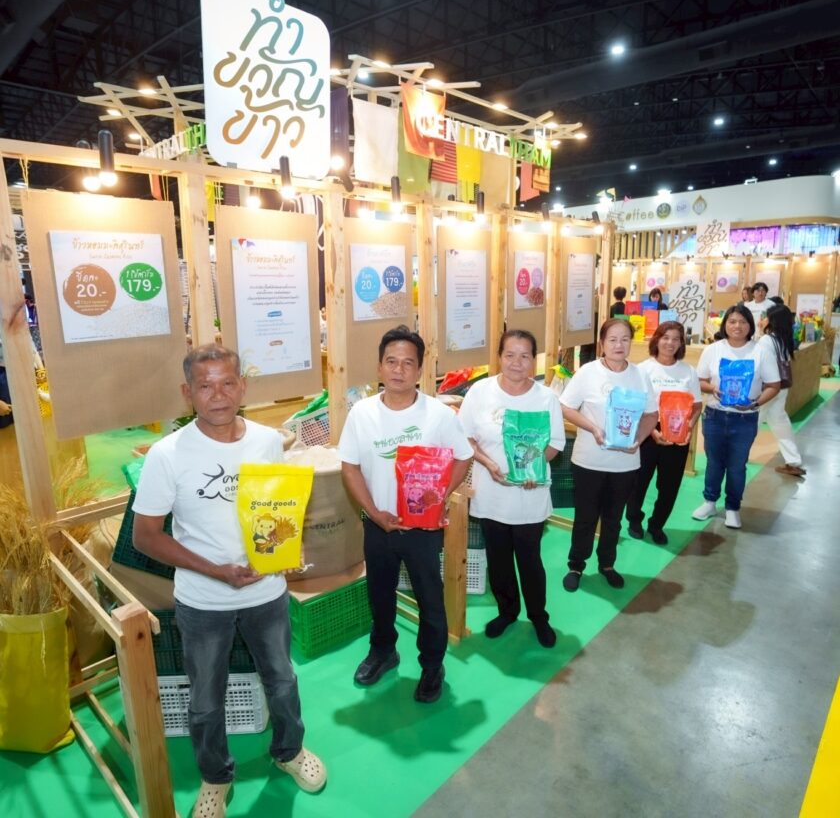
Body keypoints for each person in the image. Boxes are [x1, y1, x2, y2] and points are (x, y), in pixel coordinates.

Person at [133, 345, 326, 816]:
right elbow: (145, 537)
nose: (217, 395)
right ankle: (215, 777)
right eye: (205, 385)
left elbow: (275, 508)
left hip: (267, 593)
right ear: (187, 392)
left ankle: (289, 751)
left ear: (242, 387)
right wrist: (216, 571)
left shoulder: (266, 441)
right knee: (204, 698)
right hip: (202, 600)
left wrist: (288, 548)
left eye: (227, 383)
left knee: (282, 679)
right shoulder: (167, 455)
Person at [338, 325, 472, 704]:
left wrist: (438, 498)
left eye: (407, 363)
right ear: (379, 367)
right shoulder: (362, 413)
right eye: (391, 362)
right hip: (377, 525)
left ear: (420, 370)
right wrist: (373, 512)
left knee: (430, 599)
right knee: (379, 594)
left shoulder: (438, 415)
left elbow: (463, 457)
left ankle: (432, 666)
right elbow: (349, 467)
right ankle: (383, 651)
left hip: (422, 529)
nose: (398, 370)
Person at [458, 329, 565, 648]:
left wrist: (533, 467)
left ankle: (539, 616)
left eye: (525, 356)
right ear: (499, 357)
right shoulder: (480, 392)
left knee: (530, 559)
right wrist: (489, 464)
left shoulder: (545, 397)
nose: (517, 363)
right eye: (510, 355)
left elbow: (555, 443)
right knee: (499, 558)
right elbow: (465, 437)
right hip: (491, 494)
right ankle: (507, 611)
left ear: (534, 360)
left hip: (530, 495)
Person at [559, 318, 658, 592]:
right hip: (588, 461)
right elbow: (566, 407)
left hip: (625, 463)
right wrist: (593, 428)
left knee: (613, 518)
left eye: (625, 339)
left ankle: (607, 564)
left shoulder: (640, 375)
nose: (618, 345)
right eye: (612, 339)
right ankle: (576, 565)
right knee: (585, 517)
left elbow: (651, 415)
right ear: (602, 343)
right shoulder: (588, 372)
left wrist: (638, 439)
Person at [692, 304, 781, 528]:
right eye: (732, 321)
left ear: (750, 325)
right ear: (725, 325)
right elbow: (700, 380)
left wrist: (755, 403)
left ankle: (732, 507)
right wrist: (713, 389)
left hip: (745, 419)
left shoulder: (760, 352)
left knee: (737, 465)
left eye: (742, 322)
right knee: (714, 463)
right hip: (714, 416)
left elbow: (774, 385)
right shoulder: (713, 350)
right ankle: (710, 502)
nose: (737, 326)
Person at [625, 321, 702, 545]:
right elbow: (635, 406)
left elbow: (697, 407)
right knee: (638, 482)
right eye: (665, 337)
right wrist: (651, 431)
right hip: (648, 432)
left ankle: (657, 525)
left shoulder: (688, 372)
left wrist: (688, 428)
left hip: (678, 435)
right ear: (657, 340)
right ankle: (634, 520)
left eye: (676, 339)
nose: (670, 343)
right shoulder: (642, 370)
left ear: (681, 343)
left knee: (669, 486)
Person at [758, 304, 806, 477]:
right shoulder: (784, 339)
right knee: (780, 423)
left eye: (767, 317)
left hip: (768, 389)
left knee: (751, 422)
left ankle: (735, 457)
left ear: (773, 321)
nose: (763, 320)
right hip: (781, 388)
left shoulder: (767, 340)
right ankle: (793, 461)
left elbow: (761, 365)